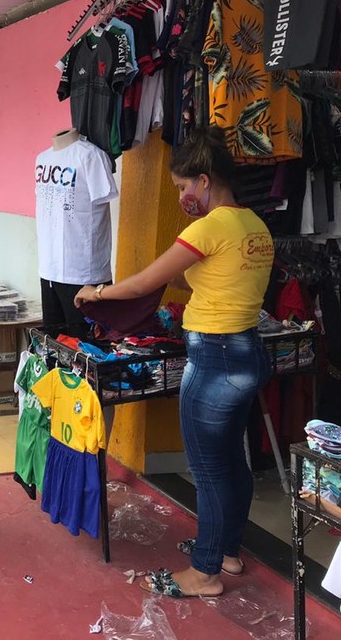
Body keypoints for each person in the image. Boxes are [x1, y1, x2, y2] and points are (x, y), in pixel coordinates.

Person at [74, 127, 274, 599]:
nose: (183, 196)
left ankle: (204, 573)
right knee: (231, 462)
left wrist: (97, 292)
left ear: (204, 181)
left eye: (184, 187)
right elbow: (215, 285)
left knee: (206, 468)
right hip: (247, 352)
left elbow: (143, 282)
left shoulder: (207, 227)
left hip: (215, 356)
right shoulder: (255, 227)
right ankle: (226, 549)